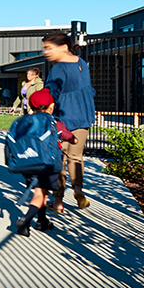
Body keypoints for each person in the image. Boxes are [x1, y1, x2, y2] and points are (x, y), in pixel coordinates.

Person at [42, 31, 97, 212]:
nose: (46, 52)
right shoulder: (82, 63)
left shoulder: (58, 68)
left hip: (64, 118)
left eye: (49, 48)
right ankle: (78, 189)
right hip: (84, 115)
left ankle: (57, 201)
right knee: (76, 157)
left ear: (64, 47)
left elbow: (50, 96)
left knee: (60, 160)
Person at [11, 88, 76, 236]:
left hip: (27, 164)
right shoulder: (54, 123)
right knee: (41, 194)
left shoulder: (26, 122)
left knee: (42, 192)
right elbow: (69, 137)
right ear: (51, 107)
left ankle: (42, 221)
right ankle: (25, 221)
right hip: (47, 164)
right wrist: (73, 139)